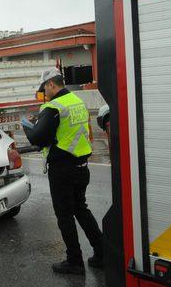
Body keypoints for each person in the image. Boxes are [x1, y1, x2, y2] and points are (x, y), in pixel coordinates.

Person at [23, 67, 104, 275]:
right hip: (81, 166)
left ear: (51, 84)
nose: (44, 93)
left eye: (44, 88)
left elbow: (38, 138)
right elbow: (65, 131)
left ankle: (74, 261)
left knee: (65, 216)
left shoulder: (53, 107)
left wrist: (27, 125)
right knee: (81, 209)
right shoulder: (77, 101)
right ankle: (102, 253)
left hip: (63, 170)